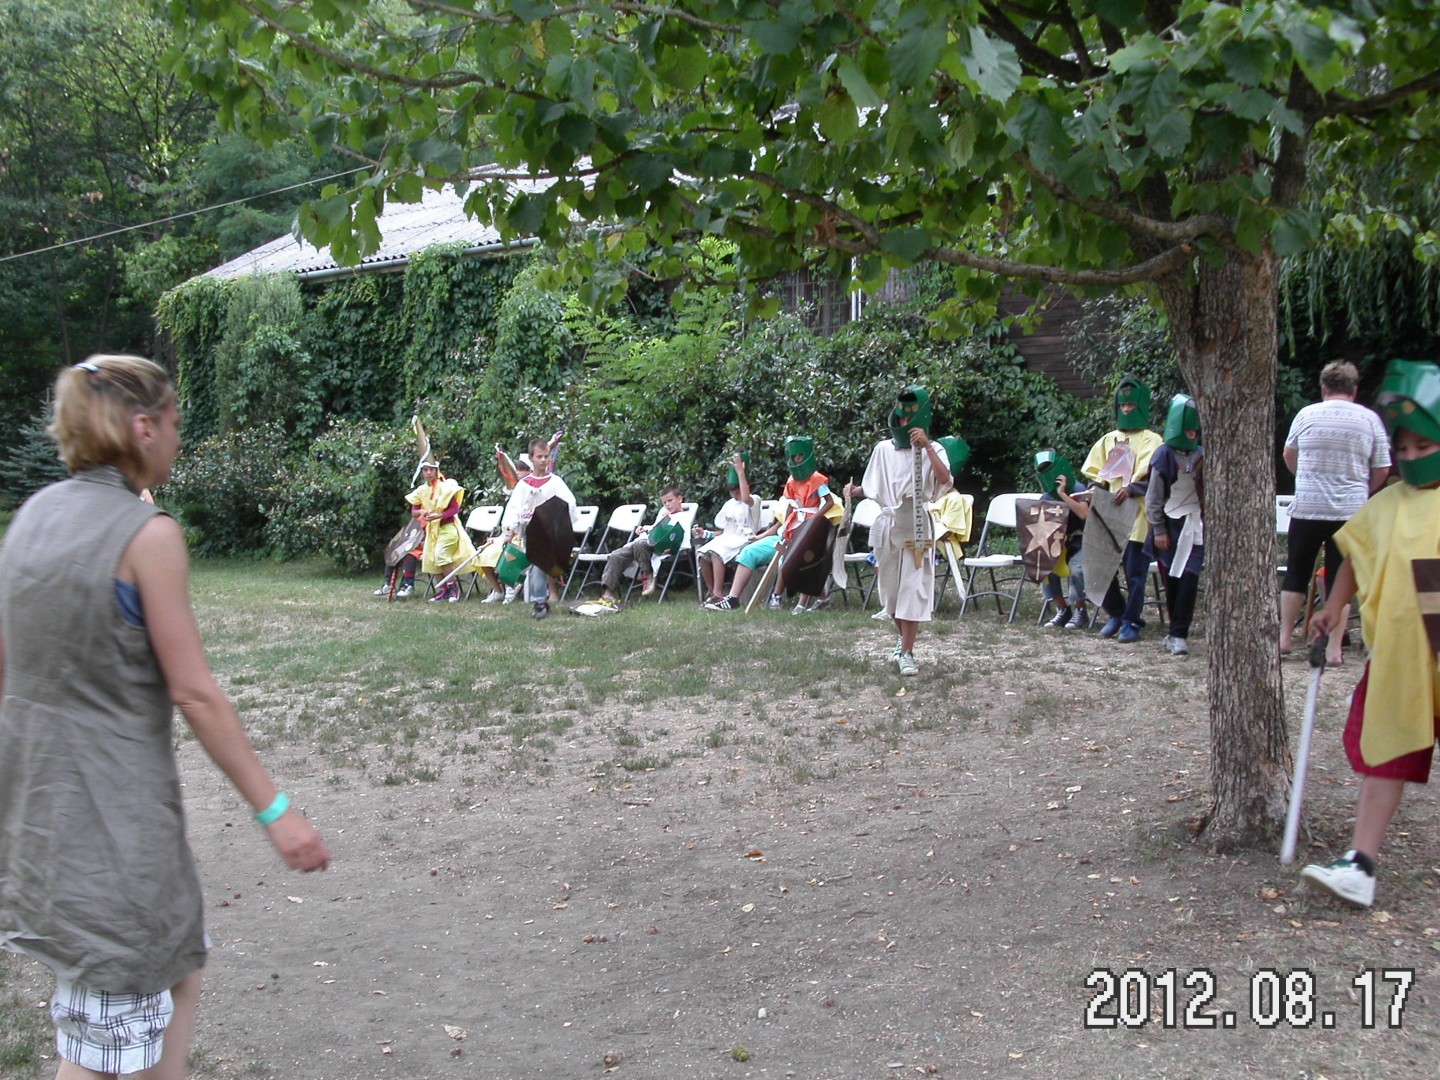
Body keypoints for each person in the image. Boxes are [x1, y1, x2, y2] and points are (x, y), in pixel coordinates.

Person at [0, 355, 331, 1080]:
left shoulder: (30, 519)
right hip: (110, 834)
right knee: (101, 1035)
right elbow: (195, 693)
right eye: (176, 423)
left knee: (177, 964)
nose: (180, 438)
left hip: (42, 823)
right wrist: (277, 811)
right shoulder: (147, 535)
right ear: (143, 427)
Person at [1299, 359, 1440, 909]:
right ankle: (1360, 862)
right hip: (1400, 659)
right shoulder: (1384, 505)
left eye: (1423, 446)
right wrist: (1333, 607)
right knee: (1385, 754)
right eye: (1402, 448)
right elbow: (1355, 557)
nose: (1410, 456)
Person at [1279, 361, 1392, 665]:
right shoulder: (1369, 419)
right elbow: (1382, 467)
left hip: (1308, 506)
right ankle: (1333, 649)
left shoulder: (1306, 414)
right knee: (1340, 577)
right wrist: (1364, 490)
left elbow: (1289, 454)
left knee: (1296, 572)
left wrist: (1305, 478)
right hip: (1349, 511)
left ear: (1323, 388)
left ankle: (1284, 638)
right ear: (1355, 389)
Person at [845, 387, 951, 676]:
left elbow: (944, 480)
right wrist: (855, 491)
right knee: (891, 594)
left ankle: (906, 651)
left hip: (916, 525)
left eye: (910, 420)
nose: (905, 425)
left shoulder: (935, 449)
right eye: (902, 419)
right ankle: (903, 641)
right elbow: (875, 483)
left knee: (912, 589)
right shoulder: (883, 449)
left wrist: (927, 447)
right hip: (888, 524)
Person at [705, 436, 836, 612]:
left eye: (800, 456)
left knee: (796, 557)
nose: (797, 459)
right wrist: (786, 528)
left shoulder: (817, 480)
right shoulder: (792, 481)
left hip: (808, 530)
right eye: (794, 456)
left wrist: (814, 520)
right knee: (748, 552)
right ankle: (733, 599)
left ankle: (800, 600)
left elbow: (829, 502)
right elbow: (791, 506)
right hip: (788, 531)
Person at [1082, 374, 1164, 644]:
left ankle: (1132, 621)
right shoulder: (1108, 440)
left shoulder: (1153, 441)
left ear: (1140, 406)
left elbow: (1156, 477)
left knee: (1135, 573)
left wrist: (1131, 489)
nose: (1126, 410)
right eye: (1123, 405)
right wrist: (1095, 489)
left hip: (1137, 516)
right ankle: (1116, 614)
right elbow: (1096, 474)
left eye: (1131, 405)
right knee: (1100, 566)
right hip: (1108, 514)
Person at [1145, 393, 1205, 656]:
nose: (1191, 434)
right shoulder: (1164, 455)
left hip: (1195, 525)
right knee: (1172, 579)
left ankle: (1180, 633)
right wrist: (1158, 528)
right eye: (1187, 429)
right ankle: (1173, 631)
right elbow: (1154, 496)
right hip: (1169, 527)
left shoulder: (1202, 454)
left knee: (1189, 577)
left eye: (1194, 430)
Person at [500, 437, 581, 619]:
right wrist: (509, 528)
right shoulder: (523, 485)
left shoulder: (555, 482)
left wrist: (554, 518)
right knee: (533, 562)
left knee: (539, 560)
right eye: (539, 457)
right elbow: (514, 507)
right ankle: (535, 598)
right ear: (532, 458)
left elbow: (569, 504)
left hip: (549, 531)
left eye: (546, 456)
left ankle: (539, 602)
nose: (543, 460)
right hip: (529, 531)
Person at [1033, 448, 1091, 630]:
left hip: (1081, 541)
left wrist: (1064, 494)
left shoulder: (1079, 489)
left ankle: (1080, 610)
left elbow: (1083, 514)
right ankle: (1062, 609)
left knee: (1076, 569)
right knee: (1044, 565)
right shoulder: (1046, 497)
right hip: (1058, 542)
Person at [406, 456, 477, 603]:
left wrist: (438, 515)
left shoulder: (446, 488)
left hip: (447, 528)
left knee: (441, 555)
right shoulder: (421, 491)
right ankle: (444, 590)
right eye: (425, 470)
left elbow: (455, 509)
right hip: (432, 530)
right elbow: (414, 511)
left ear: (436, 471)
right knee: (431, 559)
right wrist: (421, 512)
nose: (428, 473)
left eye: (431, 470)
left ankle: (453, 588)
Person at [599, 486, 687, 605]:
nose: (667, 504)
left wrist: (672, 547)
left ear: (680, 499)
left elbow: (682, 538)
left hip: (658, 546)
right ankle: (608, 594)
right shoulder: (663, 513)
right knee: (616, 555)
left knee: (640, 544)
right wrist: (644, 529)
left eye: (670, 501)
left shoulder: (684, 517)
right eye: (664, 502)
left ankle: (647, 574)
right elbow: (655, 528)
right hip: (644, 543)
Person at [694, 455, 762, 605]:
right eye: (732, 491)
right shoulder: (729, 504)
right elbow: (724, 531)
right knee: (702, 555)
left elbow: (746, 499)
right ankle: (713, 592)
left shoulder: (754, 500)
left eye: (737, 490)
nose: (735, 494)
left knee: (716, 552)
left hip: (746, 539)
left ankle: (718, 593)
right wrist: (706, 533)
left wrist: (741, 473)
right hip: (728, 538)